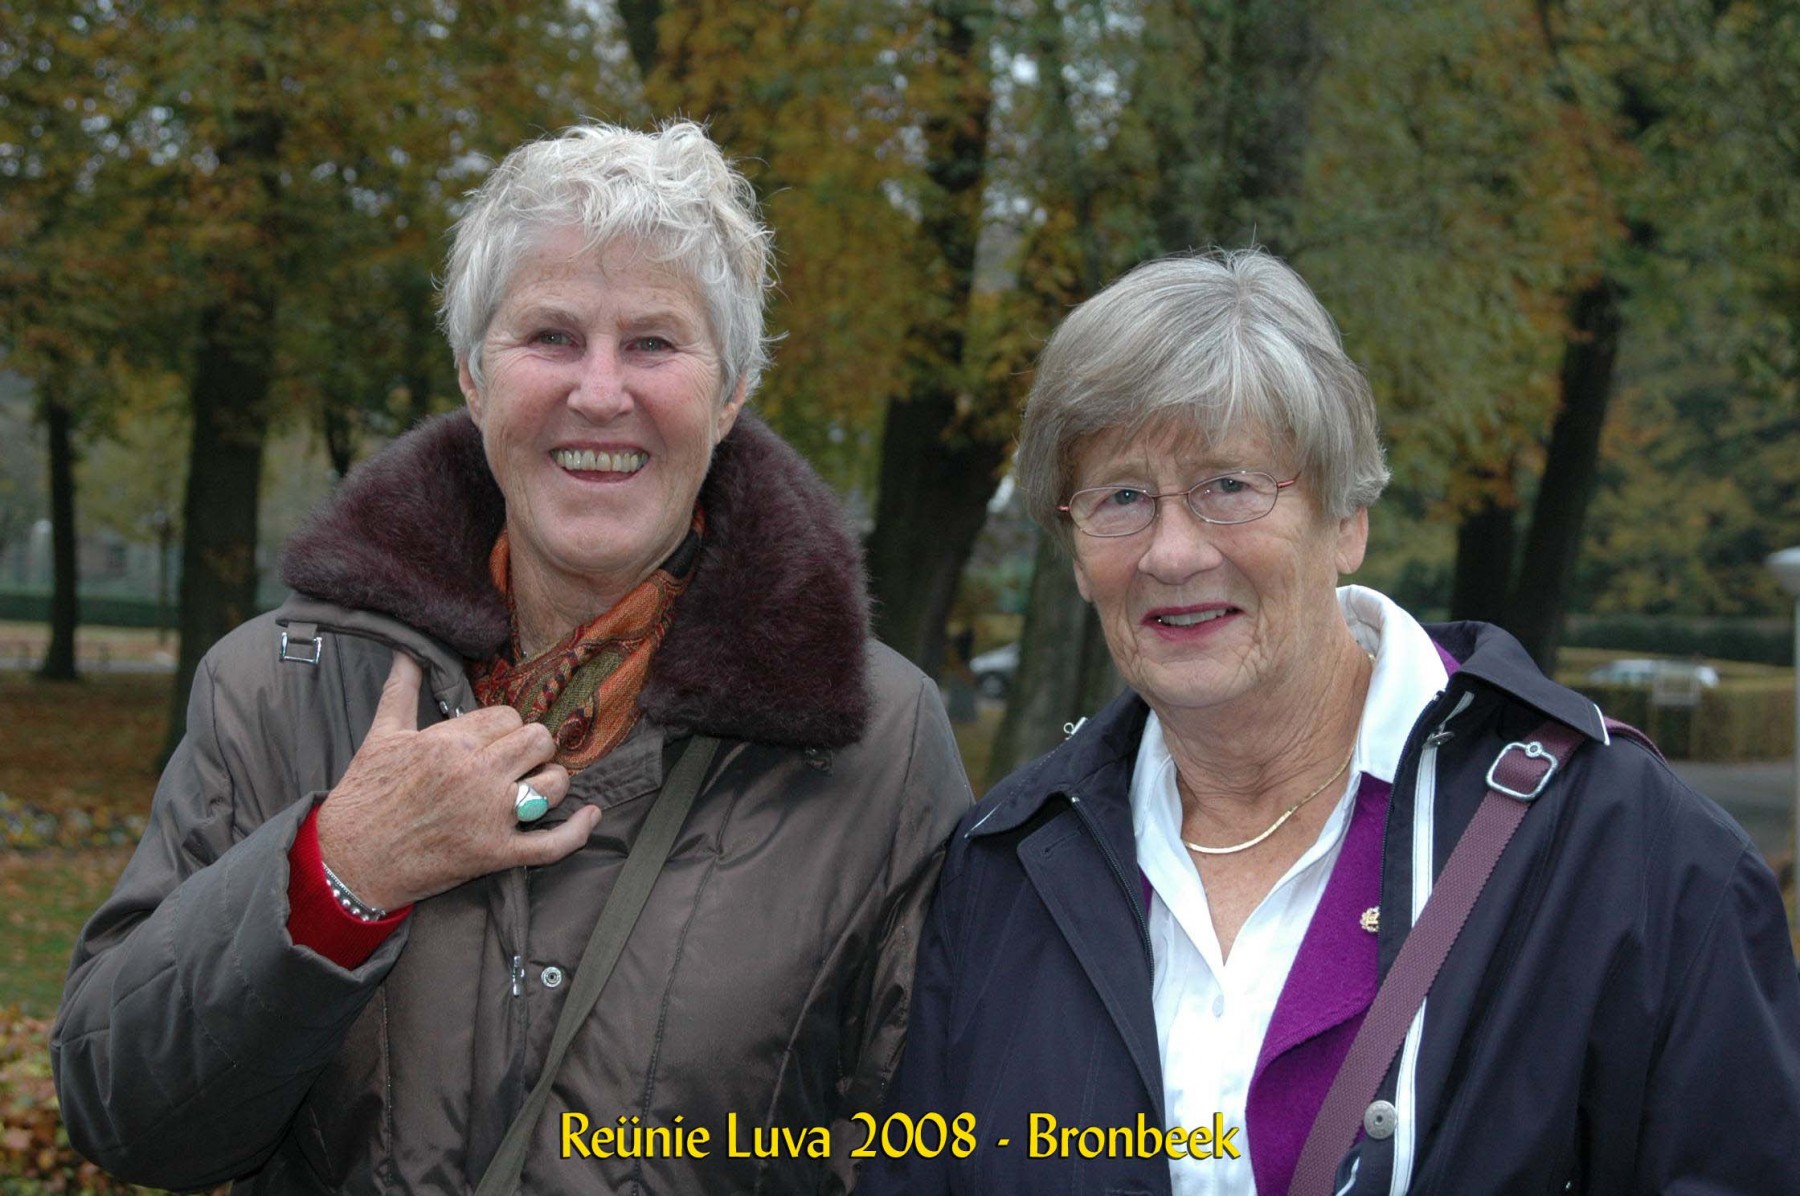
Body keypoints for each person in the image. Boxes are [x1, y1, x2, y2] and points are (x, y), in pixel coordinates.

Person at [53, 121, 971, 1194]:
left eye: (653, 343)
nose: (600, 392)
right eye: (550, 336)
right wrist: (340, 873)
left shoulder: (880, 739)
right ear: (473, 377)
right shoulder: (278, 685)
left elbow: (926, 1148)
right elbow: (124, 1115)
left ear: (730, 393)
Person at [861, 249, 1800, 1195]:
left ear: (1347, 518)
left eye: (1230, 485)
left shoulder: (1623, 851)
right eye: (1122, 498)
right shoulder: (1007, 868)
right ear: (1074, 553)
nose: (1172, 553)